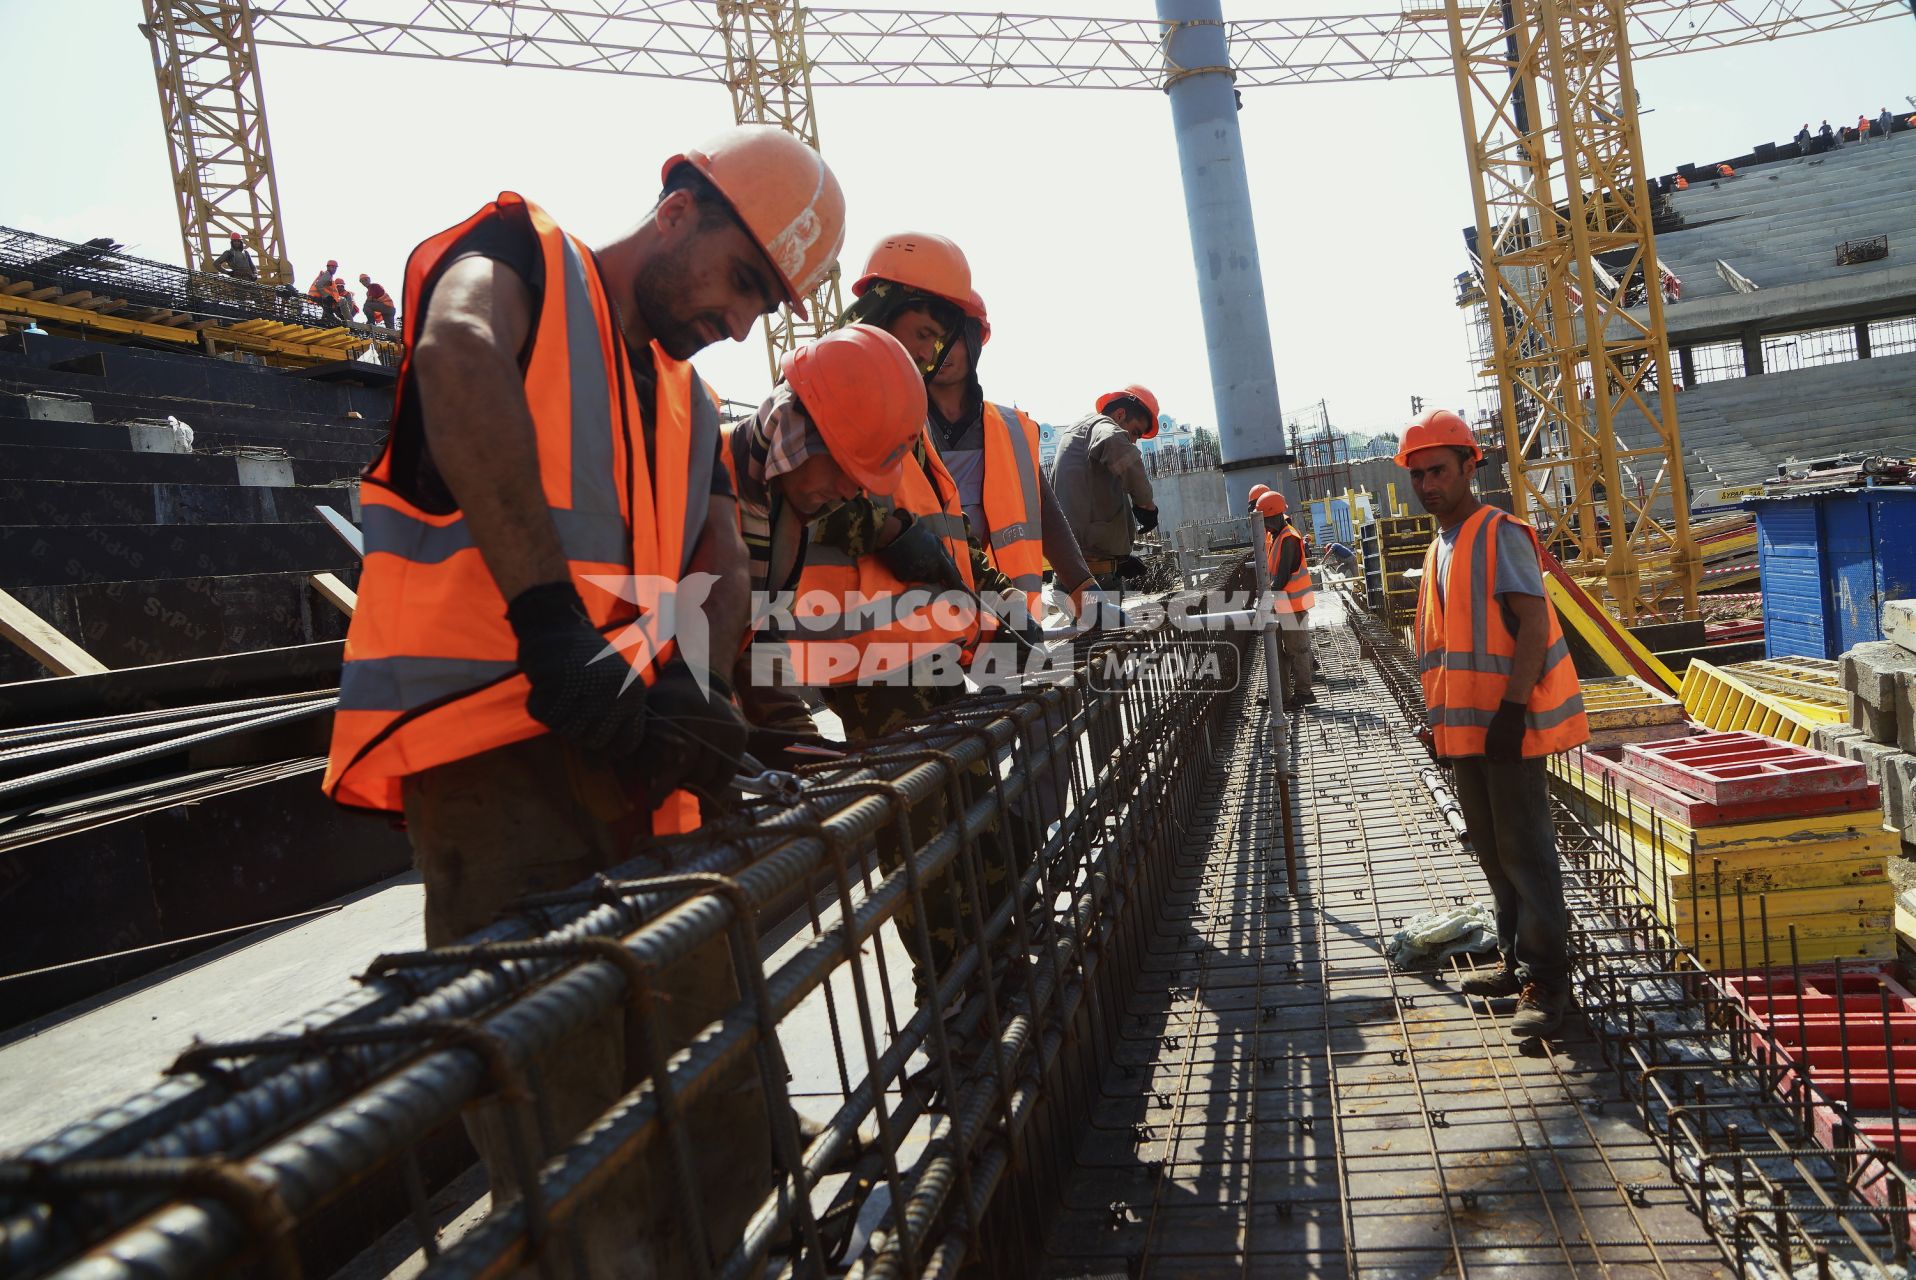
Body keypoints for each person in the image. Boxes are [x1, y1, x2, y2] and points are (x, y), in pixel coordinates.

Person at [322, 124, 845, 1276]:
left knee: (720, 1103)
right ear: (676, 212)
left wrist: (702, 687)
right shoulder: (521, 254)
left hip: (639, 766)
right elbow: (458, 351)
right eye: (742, 282)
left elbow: (720, 544)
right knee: (570, 1139)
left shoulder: (681, 398)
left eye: (765, 303)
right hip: (498, 767)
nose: (742, 322)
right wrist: (550, 627)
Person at [1396, 408, 1589, 1040]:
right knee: (1492, 851)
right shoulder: (1439, 547)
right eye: (1418, 474)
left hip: (1507, 727)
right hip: (1467, 734)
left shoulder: (1498, 532)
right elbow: (1446, 650)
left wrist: (1510, 710)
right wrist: (1440, 726)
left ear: (1469, 466)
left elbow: (1532, 622)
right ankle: (1513, 960)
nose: (1427, 484)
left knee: (1526, 853)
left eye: (1438, 471)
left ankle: (1547, 983)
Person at [841, 232, 1103, 630]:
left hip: (1000, 625)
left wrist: (1084, 590)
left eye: (948, 338)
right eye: (927, 334)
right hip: (905, 626)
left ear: (973, 343)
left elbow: (1037, 513)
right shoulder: (894, 416)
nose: (937, 352)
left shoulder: (1012, 431)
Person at [1047, 386, 1162, 588]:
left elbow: (1094, 500)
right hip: (1093, 574)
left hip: (1079, 565)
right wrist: (1146, 505)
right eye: (1135, 432)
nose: (1133, 441)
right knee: (1103, 620)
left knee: (1089, 619)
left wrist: (1120, 558)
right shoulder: (1102, 427)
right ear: (1120, 414)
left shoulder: (1079, 433)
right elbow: (1114, 441)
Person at [1255, 489, 1316, 708]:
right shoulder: (1277, 536)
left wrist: (1262, 605)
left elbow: (1280, 580)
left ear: (1274, 515)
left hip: (1293, 604)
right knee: (1277, 651)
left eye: (1266, 521)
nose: (1265, 527)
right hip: (1283, 604)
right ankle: (1280, 696)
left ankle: (1304, 693)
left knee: (1297, 650)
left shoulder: (1289, 537)